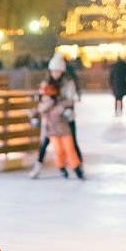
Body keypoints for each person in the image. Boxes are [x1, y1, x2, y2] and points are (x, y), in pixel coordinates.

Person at [30, 52, 83, 180]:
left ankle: (78, 167)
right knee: (46, 143)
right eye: (54, 71)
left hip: (65, 118)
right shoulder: (46, 84)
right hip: (51, 121)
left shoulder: (68, 82)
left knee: (72, 143)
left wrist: (61, 107)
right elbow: (41, 101)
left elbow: (72, 99)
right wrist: (45, 105)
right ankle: (39, 167)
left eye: (58, 71)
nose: (56, 74)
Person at [37, 81, 83, 180]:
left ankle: (76, 167)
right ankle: (61, 168)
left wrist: (64, 109)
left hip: (64, 130)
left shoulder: (60, 102)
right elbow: (39, 110)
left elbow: (69, 104)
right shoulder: (44, 105)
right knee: (58, 151)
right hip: (53, 132)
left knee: (69, 149)